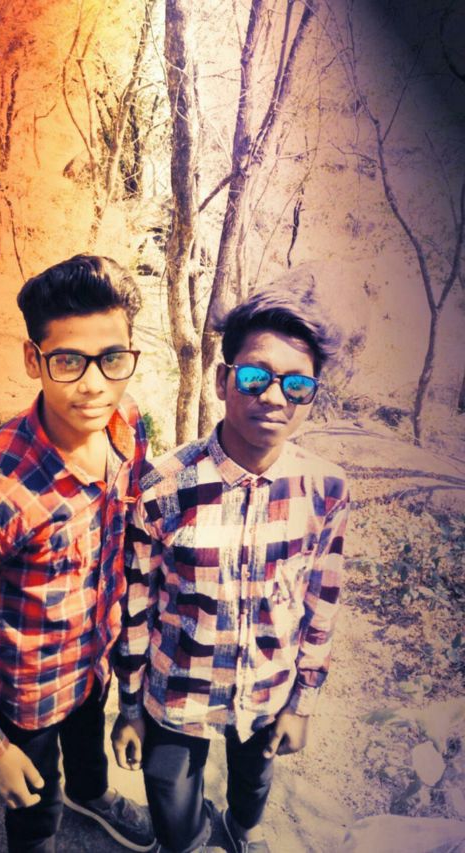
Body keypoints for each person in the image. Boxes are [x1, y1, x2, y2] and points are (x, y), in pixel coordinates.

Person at [0, 254, 156, 853]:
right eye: (68, 361)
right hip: (26, 695)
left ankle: (92, 795)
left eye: (112, 359)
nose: (94, 384)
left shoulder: (125, 427)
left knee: (88, 752)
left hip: (93, 662)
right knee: (33, 810)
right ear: (34, 359)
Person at [112, 287, 350, 853]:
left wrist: (302, 704)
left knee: (252, 793)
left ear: (311, 396)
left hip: (268, 691)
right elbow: (136, 605)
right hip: (176, 693)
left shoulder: (326, 489)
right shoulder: (162, 487)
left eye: (297, 384)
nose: (274, 396)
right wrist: (129, 707)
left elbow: (321, 605)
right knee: (173, 817)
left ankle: (240, 833)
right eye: (255, 377)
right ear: (223, 381)